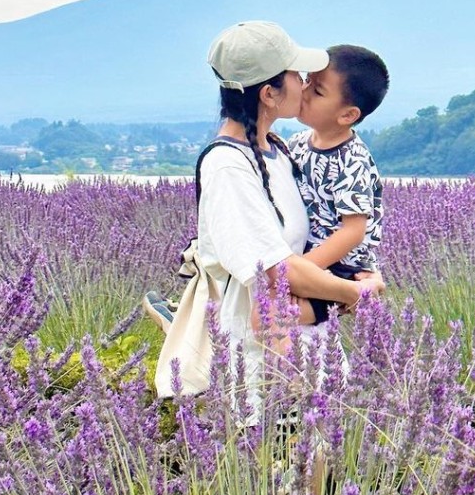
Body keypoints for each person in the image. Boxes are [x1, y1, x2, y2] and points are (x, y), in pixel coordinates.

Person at [152, 21, 383, 410]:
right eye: (296, 74)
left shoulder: (278, 150)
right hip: (261, 384)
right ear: (270, 93)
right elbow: (275, 271)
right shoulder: (229, 166)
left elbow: (335, 233)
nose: (304, 83)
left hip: (317, 364)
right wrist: (357, 294)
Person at [285, 45, 389, 326]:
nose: (304, 92)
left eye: (318, 92)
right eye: (307, 81)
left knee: (270, 318)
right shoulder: (296, 143)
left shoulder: (351, 159)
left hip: (342, 267)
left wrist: (304, 269)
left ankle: (357, 297)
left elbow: (353, 231)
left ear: (347, 115)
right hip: (309, 261)